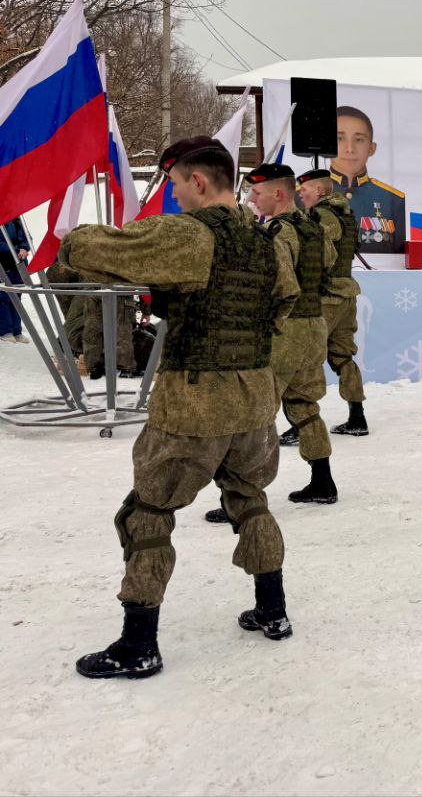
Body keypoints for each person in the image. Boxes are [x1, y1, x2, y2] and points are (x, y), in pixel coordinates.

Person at [62, 137, 297, 679]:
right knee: (250, 498)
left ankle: (138, 643)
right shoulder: (266, 242)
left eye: (174, 184)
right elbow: (284, 301)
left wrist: (68, 242)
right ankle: (272, 609)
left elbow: (102, 248)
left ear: (198, 181)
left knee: (148, 512)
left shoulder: (187, 235)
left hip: (194, 400)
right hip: (255, 397)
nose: (172, 194)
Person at [209, 164, 337, 518]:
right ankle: (323, 481)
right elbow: (328, 264)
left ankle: (241, 497)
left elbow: (274, 282)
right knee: (305, 406)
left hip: (285, 331)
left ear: (279, 194)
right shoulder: (314, 226)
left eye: (257, 193)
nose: (252, 199)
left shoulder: (279, 233)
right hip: (314, 326)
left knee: (256, 413)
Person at [297, 168, 369, 437]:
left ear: (319, 190)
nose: (300, 195)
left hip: (324, 297)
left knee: (306, 359)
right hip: (346, 295)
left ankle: (301, 425)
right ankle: (357, 417)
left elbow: (317, 250)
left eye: (304, 190)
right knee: (342, 357)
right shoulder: (346, 214)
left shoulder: (323, 215)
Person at [329, 105, 406, 255]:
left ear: (371, 148)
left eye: (358, 139)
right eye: (339, 138)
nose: (349, 148)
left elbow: (400, 259)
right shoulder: (302, 197)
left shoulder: (393, 199)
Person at [1, 217, 31, 342]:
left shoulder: (16, 220)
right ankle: (5, 331)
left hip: (18, 264)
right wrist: (14, 250)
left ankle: (16, 331)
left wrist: (24, 248)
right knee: (3, 296)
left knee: (17, 295)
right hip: (3, 263)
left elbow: (26, 238)